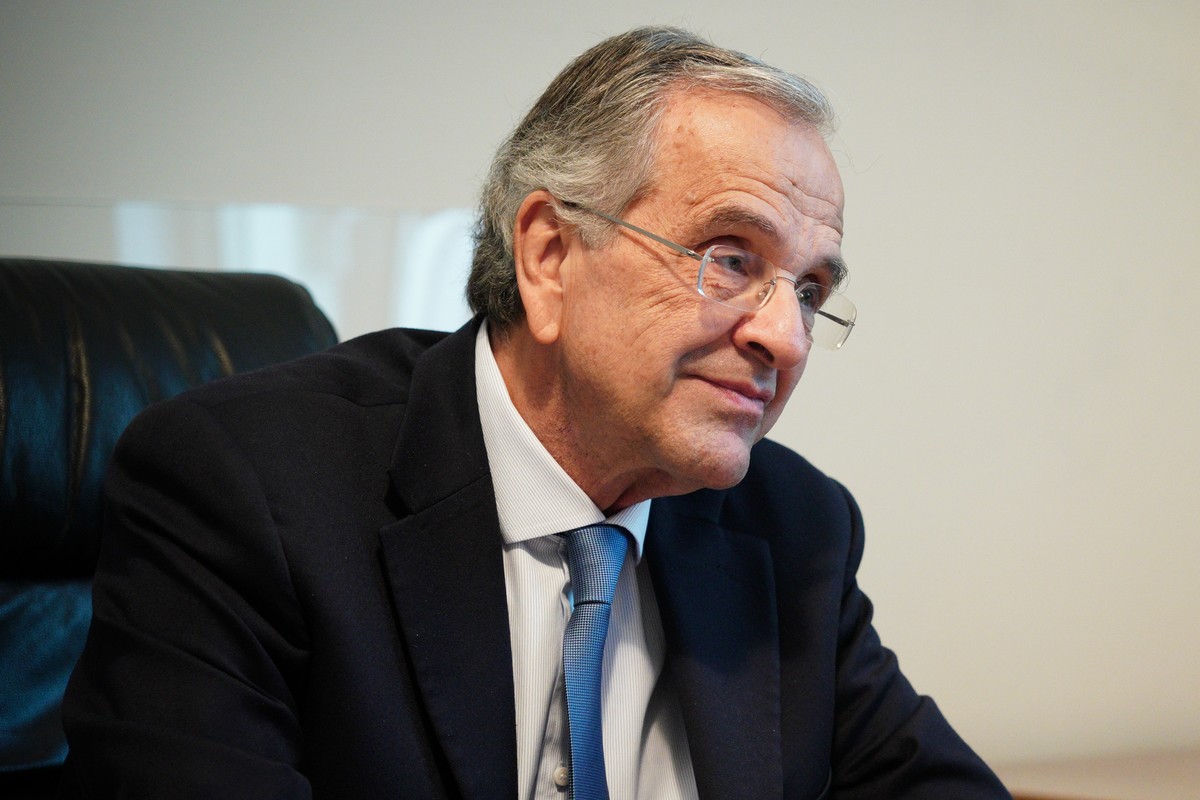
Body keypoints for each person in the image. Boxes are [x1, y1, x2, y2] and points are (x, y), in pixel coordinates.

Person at [61, 26, 1010, 800]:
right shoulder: (245, 487)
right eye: (730, 258)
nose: (786, 339)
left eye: (808, 292)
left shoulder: (795, 531)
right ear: (550, 256)